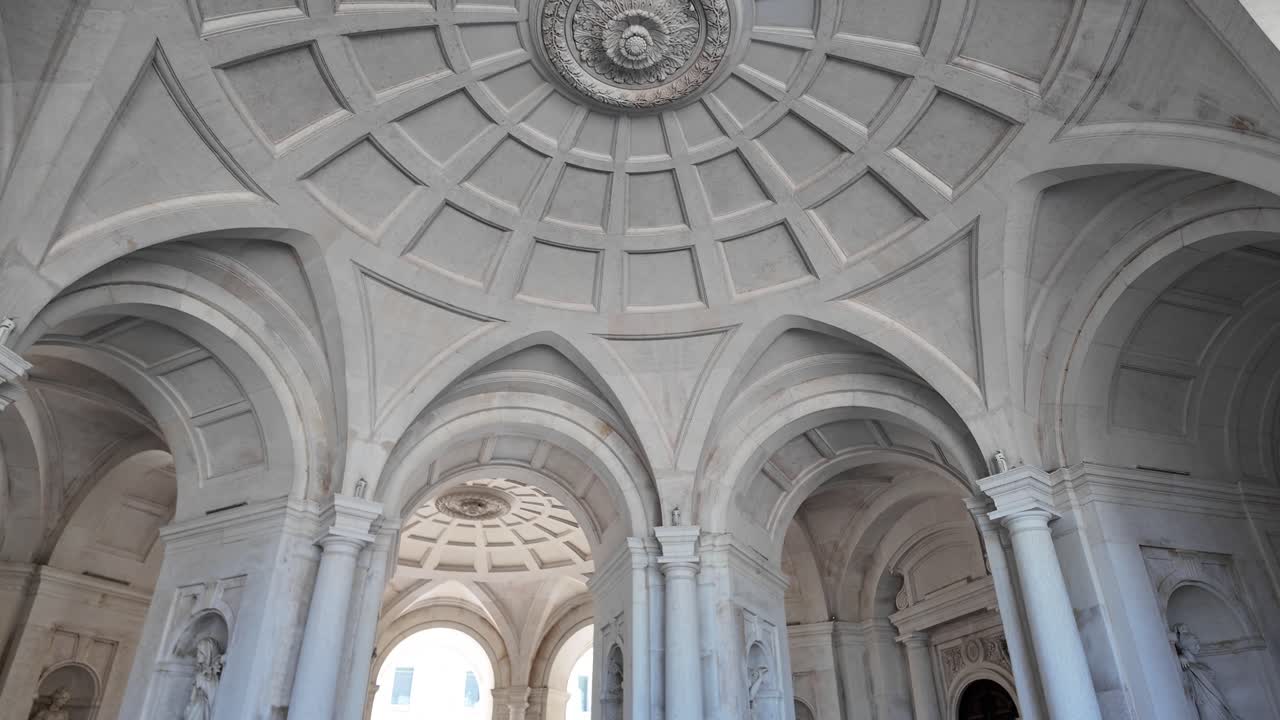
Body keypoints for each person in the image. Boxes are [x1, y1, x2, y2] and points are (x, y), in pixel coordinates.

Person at [1172, 624, 1240, 720]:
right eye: (1195, 644)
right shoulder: (1186, 665)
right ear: (1186, 647)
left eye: (1198, 643)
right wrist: (1180, 657)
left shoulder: (1202, 666)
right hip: (1205, 704)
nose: (1198, 647)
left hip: (1217, 702)